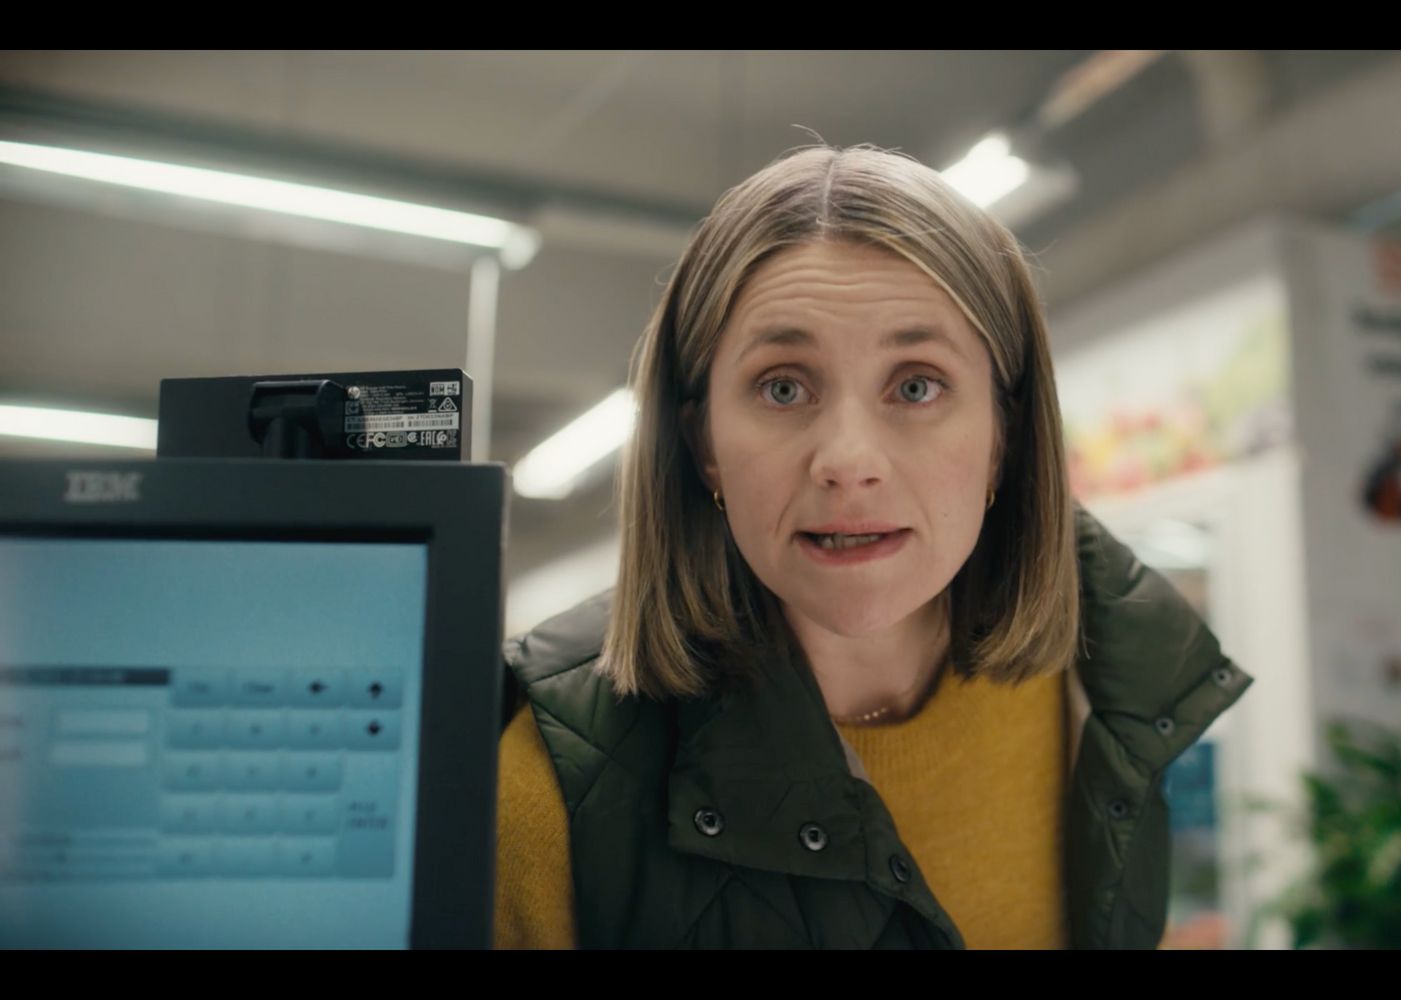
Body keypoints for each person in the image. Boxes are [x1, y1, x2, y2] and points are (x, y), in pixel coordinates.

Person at [494, 144, 1252, 949]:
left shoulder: (1113, 688)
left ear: (1004, 435)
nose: (848, 461)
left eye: (916, 385)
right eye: (783, 386)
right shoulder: (543, 778)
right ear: (702, 441)